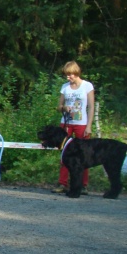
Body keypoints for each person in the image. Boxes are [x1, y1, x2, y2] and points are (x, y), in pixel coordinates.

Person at [52, 61, 95, 194]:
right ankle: (62, 183)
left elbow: (91, 107)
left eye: (69, 74)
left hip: (81, 123)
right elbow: (59, 106)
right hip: (66, 123)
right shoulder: (65, 87)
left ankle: (83, 185)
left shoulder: (87, 86)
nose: (67, 77)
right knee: (65, 154)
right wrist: (64, 107)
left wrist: (89, 126)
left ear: (76, 73)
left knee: (84, 154)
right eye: (66, 75)